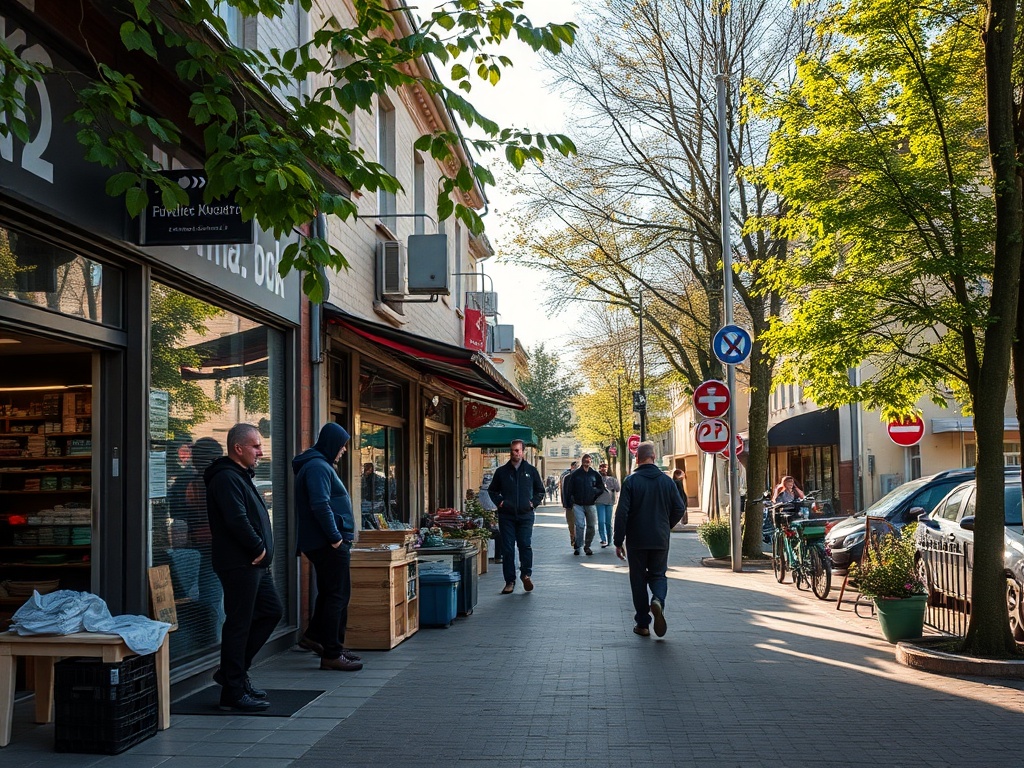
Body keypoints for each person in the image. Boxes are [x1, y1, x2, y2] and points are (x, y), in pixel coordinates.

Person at [205, 423, 283, 711]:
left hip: (255, 566)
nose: (261, 451)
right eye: (256, 446)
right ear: (238, 448)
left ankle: (231, 674)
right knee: (239, 624)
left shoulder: (240, 475)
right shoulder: (225, 477)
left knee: (272, 611)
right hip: (241, 563)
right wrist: (258, 548)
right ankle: (233, 692)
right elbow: (236, 519)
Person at [293, 423, 363, 672]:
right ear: (332, 443)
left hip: (324, 542)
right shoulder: (318, 467)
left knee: (329, 594)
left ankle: (315, 637)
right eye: (342, 445)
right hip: (328, 544)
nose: (344, 450)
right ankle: (332, 654)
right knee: (338, 596)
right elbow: (320, 504)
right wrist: (335, 537)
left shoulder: (318, 466)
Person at [614, 441, 685, 638]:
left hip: (637, 539)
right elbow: (680, 507)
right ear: (654, 457)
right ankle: (658, 600)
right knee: (659, 574)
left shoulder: (631, 481)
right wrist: (666, 525)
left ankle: (643, 624)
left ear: (637, 459)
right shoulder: (667, 481)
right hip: (660, 537)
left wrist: (618, 540)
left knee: (638, 580)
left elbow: (622, 513)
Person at [487, 439, 545, 594]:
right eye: (513, 450)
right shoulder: (501, 472)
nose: (515, 453)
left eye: (518, 450)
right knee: (508, 549)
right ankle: (509, 581)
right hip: (506, 516)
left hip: (526, 515)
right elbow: (492, 491)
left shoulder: (531, 471)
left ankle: (526, 575)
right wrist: (500, 502)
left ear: (523, 451)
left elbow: (540, 490)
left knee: (525, 545)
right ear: (510, 451)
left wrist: (533, 503)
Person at [565, 454, 605, 556]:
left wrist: (595, 492)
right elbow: (570, 489)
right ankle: (578, 546)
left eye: (588, 460)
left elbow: (601, 487)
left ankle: (587, 546)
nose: (587, 462)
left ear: (591, 461)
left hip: (591, 503)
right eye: (585, 460)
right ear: (582, 461)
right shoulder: (576, 474)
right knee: (580, 525)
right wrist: (569, 501)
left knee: (591, 526)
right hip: (578, 504)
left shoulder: (595, 474)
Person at [595, 462, 620, 548]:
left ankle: (609, 540)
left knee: (608, 522)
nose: (603, 469)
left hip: (610, 502)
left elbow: (618, 489)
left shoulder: (612, 479)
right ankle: (603, 539)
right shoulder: (597, 479)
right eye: (601, 467)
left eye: (605, 467)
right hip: (599, 502)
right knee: (601, 521)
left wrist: (613, 486)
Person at [559, 461, 578, 550]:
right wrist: (565, 504)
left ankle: (577, 539)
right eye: (575, 466)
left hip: (579, 505)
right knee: (571, 524)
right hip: (569, 506)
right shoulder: (566, 477)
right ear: (572, 467)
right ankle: (573, 538)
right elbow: (563, 491)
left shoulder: (580, 477)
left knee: (579, 524)